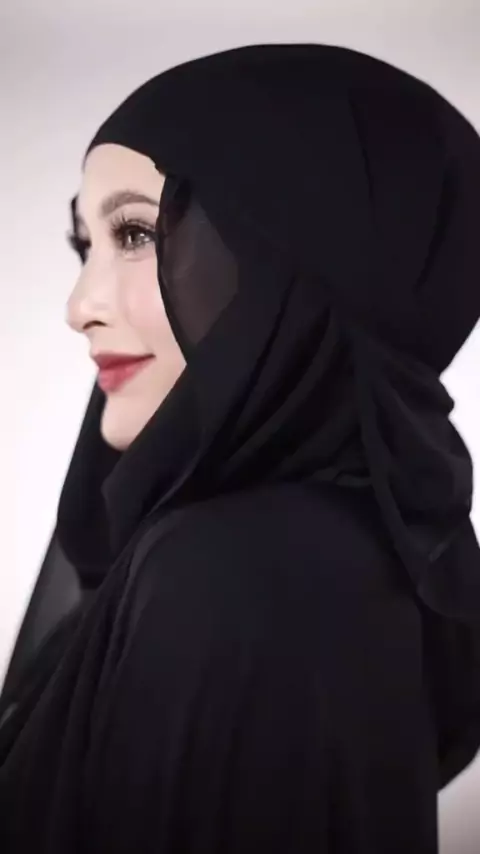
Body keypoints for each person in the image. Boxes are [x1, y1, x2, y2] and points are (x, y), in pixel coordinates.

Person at [1, 43, 480, 853]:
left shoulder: (222, 571)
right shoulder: (357, 548)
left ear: (297, 265)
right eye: (87, 245)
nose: (80, 306)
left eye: (137, 232)